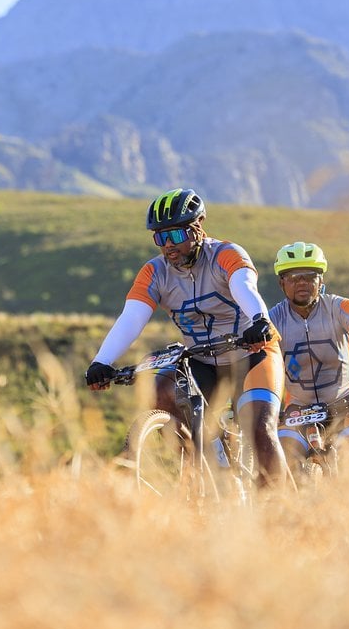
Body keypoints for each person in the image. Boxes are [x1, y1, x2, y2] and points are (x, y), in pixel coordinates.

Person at [85, 188, 288, 486]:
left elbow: (245, 287)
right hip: (203, 360)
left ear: (198, 226)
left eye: (176, 236)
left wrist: (259, 320)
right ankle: (201, 473)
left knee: (259, 426)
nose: (168, 245)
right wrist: (101, 361)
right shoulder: (155, 272)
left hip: (253, 353)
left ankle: (280, 509)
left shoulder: (226, 254)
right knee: (161, 392)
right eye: (160, 237)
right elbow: (131, 318)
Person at [267, 241, 349, 472]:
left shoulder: (342, 308)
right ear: (281, 283)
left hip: (347, 403)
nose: (302, 282)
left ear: (321, 280)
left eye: (309, 276)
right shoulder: (272, 319)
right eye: (294, 277)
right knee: (283, 467)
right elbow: (254, 362)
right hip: (297, 411)